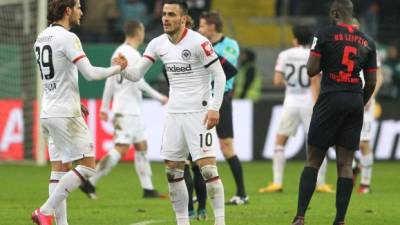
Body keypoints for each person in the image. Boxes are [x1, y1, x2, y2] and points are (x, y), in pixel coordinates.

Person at [117, 1, 227, 225]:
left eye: (171, 14)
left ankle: (220, 221)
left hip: (199, 113)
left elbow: (220, 75)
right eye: (164, 14)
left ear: (184, 19)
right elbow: (137, 75)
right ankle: (182, 222)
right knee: (172, 173)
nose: (165, 18)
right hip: (174, 115)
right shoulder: (157, 44)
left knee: (207, 170)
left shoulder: (199, 42)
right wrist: (122, 68)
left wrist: (214, 107)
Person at [31, 0, 127, 225]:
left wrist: (76, 100)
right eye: (78, 7)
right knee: (87, 167)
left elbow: (57, 76)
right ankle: (45, 211)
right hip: (64, 113)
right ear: (67, 11)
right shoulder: (68, 37)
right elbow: (91, 74)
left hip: (48, 110)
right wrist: (118, 68)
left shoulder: (41, 37)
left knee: (59, 169)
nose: (82, 12)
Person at [291, 1, 377, 224]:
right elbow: (372, 81)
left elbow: (311, 70)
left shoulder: (324, 34)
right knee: (346, 164)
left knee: (313, 160)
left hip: (330, 98)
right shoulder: (368, 41)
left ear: (335, 13)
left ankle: (300, 217)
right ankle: (340, 220)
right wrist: (360, 101)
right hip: (354, 99)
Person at [79, 20, 168, 199]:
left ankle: (148, 188)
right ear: (139, 32)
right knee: (121, 148)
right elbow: (139, 80)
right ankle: (90, 181)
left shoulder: (118, 51)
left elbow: (110, 79)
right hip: (127, 110)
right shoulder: (133, 54)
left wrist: (104, 107)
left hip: (130, 109)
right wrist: (159, 97)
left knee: (141, 146)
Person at [259, 26, 334, 194]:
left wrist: (291, 85)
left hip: (291, 102)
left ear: (294, 39)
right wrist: (317, 103)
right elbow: (315, 81)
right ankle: (320, 183)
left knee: (280, 142)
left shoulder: (284, 55)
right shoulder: (313, 55)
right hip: (309, 102)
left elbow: (277, 80)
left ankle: (277, 182)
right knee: (318, 142)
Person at [198, 11, 248, 205]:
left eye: (202, 26)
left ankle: (242, 193)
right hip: (201, 98)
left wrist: (204, 49)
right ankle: (201, 193)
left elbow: (225, 68)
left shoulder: (230, 45)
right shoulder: (202, 44)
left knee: (226, 147)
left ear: (212, 26)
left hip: (221, 99)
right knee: (198, 148)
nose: (200, 30)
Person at [351, 18, 383, 194]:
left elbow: (379, 77)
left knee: (364, 142)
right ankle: (355, 166)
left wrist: (370, 96)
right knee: (337, 138)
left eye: (356, 27)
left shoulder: (369, 46)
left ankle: (365, 184)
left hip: (365, 100)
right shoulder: (341, 46)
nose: (353, 30)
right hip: (348, 98)